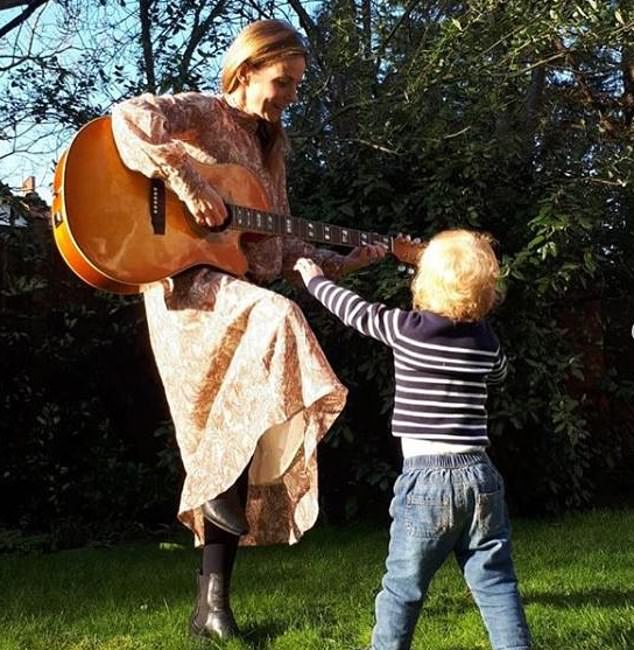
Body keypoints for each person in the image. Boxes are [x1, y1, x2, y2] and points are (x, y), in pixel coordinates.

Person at [111, 19, 385, 640]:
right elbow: (126, 120)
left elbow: (275, 253)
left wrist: (348, 260)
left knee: (227, 445)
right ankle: (217, 518)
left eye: (295, 86)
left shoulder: (269, 150)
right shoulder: (203, 113)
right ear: (246, 70)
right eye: (282, 81)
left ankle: (211, 608)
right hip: (185, 294)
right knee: (278, 317)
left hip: (230, 293)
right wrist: (186, 179)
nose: (289, 95)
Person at [294, 229, 532, 650]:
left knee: (403, 588)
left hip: (428, 482)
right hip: (481, 476)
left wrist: (316, 281)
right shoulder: (484, 340)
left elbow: (355, 311)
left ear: (423, 284)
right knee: (496, 583)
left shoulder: (407, 329)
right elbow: (500, 372)